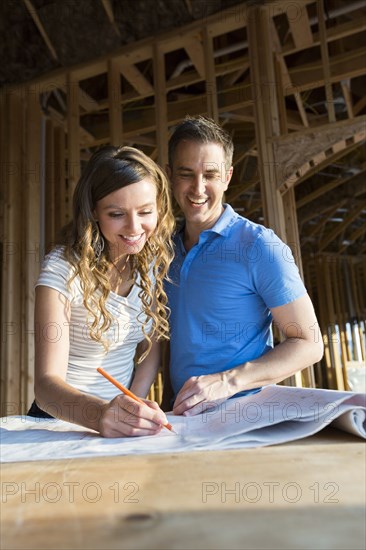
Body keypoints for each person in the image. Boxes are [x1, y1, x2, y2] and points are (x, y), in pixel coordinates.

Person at [164, 116, 324, 416]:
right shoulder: (163, 249)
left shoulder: (260, 246)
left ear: (227, 177)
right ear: (170, 175)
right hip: (181, 417)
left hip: (246, 416)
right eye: (186, 174)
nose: (198, 188)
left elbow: (310, 343)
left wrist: (226, 382)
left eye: (210, 174)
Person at [28, 146, 175, 437]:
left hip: (115, 429)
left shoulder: (151, 263)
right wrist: (101, 415)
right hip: (58, 425)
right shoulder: (62, 268)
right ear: (94, 211)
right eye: (117, 213)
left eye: (146, 212)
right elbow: (46, 386)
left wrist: (132, 407)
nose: (135, 228)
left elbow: (151, 352)